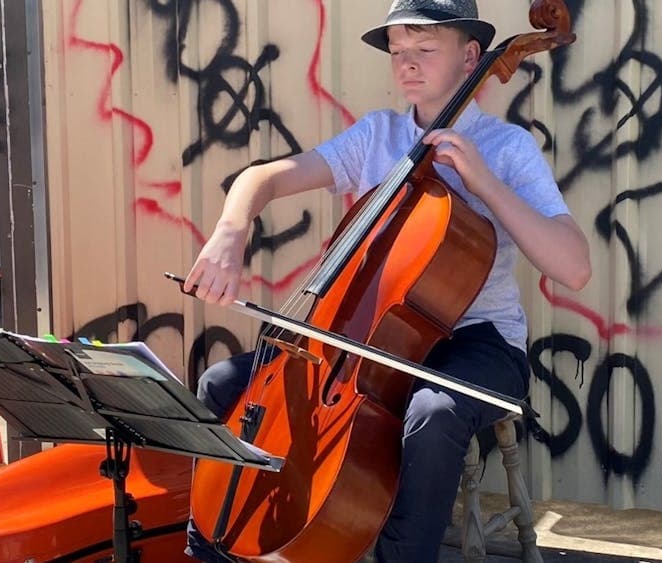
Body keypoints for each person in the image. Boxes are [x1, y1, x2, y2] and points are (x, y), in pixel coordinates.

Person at [182, 0, 590, 561]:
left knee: (433, 414)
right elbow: (263, 178)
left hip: (477, 342)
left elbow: (574, 266)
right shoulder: (378, 136)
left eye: (425, 49)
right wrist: (232, 229)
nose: (407, 65)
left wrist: (485, 183)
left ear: (472, 56)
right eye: (398, 52)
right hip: (367, 338)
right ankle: (216, 550)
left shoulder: (506, 148)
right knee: (223, 387)